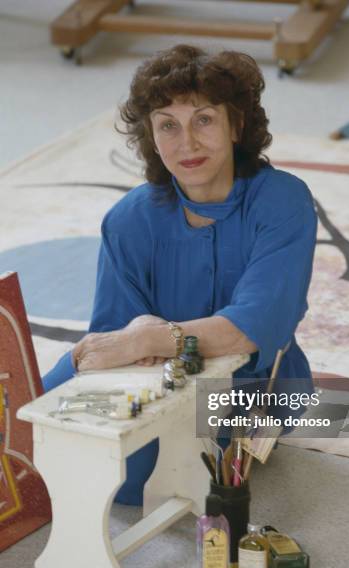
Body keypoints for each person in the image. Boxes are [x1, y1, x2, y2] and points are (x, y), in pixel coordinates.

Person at [43, 44, 318, 505]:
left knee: (131, 477)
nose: (186, 143)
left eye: (204, 120)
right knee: (39, 417)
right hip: (157, 385)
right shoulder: (127, 219)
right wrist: (128, 347)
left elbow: (253, 328)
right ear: (151, 137)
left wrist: (150, 339)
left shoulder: (284, 202)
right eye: (168, 125)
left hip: (256, 391)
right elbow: (115, 336)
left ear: (237, 125)